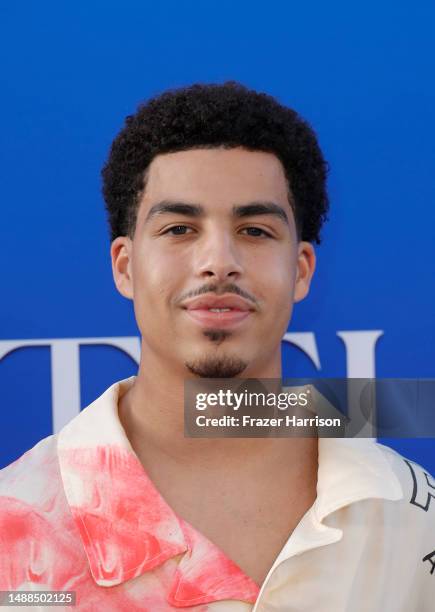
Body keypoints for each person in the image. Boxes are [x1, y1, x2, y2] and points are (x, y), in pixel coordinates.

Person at [0, 82, 433, 611]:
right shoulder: (17, 523)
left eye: (254, 230)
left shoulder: (410, 514)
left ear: (300, 271)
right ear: (125, 265)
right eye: (180, 228)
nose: (218, 260)